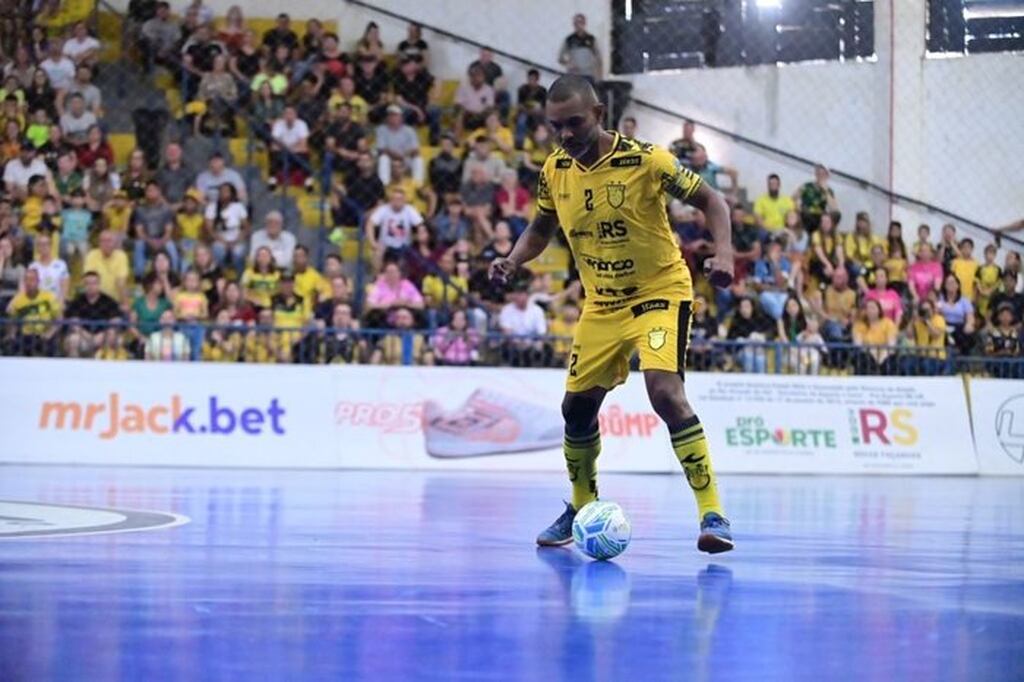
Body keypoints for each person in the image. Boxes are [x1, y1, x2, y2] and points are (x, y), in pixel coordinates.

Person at [488, 75, 734, 553]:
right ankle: (582, 505)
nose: (565, 135)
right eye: (555, 126)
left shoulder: (647, 160)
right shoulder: (555, 169)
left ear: (599, 114)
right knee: (575, 409)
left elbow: (713, 201)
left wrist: (723, 255)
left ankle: (713, 512)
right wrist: (514, 259)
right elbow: (540, 228)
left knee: (665, 392)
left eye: (574, 123)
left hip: (659, 293)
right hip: (603, 303)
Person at [5, 267, 61, 356]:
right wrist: (12, 334)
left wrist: (49, 333)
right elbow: (12, 321)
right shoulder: (18, 300)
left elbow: (59, 319)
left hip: (44, 335)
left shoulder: (49, 297)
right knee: (11, 346)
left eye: (32, 279)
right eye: (26, 279)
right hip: (26, 336)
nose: (29, 282)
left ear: (38, 281)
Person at [375, 104, 423, 184]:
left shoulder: (410, 130)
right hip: (390, 160)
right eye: (390, 115)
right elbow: (381, 149)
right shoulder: (381, 129)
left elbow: (416, 150)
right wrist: (397, 156)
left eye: (395, 115)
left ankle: (417, 186)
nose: (392, 117)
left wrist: (404, 156)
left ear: (401, 117)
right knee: (383, 158)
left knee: (418, 159)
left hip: (405, 160)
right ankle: (384, 185)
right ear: (387, 117)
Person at [852, 299, 899, 374]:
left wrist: (880, 358)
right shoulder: (859, 325)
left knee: (891, 360)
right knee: (861, 358)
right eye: (868, 308)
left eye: (873, 308)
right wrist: (872, 354)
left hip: (884, 354)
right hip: (867, 354)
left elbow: (891, 345)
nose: (870, 310)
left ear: (879, 310)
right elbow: (858, 345)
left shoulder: (888, 323)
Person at [83, 230, 129, 303]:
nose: (106, 244)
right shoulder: (92, 255)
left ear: (115, 243)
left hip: (114, 301)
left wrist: (125, 303)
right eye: (102, 241)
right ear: (99, 243)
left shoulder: (121, 256)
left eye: (109, 240)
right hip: (95, 301)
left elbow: (121, 283)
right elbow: (90, 281)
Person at [794, 164, 840, 233]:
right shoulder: (807, 186)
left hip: (819, 218)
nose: (820, 176)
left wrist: (826, 191)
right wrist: (797, 206)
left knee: (826, 220)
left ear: (827, 176)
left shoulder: (829, 190)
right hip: (805, 214)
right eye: (818, 173)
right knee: (805, 216)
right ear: (815, 174)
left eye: (823, 174)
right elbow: (792, 198)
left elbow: (834, 209)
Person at [559, 13, 602, 81]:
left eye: (580, 22)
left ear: (584, 23)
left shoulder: (591, 39)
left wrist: (599, 76)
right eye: (576, 23)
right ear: (573, 24)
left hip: (588, 75)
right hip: (574, 75)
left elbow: (599, 58)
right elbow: (560, 58)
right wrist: (569, 64)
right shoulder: (569, 40)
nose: (578, 25)